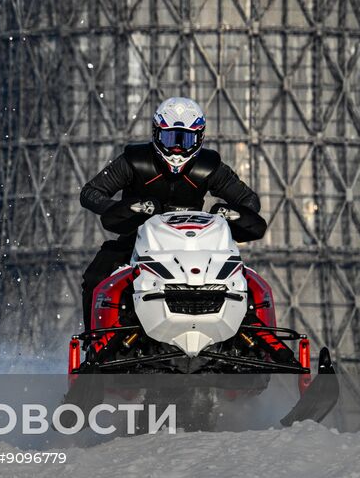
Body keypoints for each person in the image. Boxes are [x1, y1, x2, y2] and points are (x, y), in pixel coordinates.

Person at [78, 96, 266, 324]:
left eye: (185, 140)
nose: (177, 148)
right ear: (156, 134)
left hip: (196, 242)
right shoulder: (134, 160)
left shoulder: (210, 165)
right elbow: (90, 192)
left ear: (199, 138)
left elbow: (249, 200)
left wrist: (229, 214)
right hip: (137, 241)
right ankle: (94, 344)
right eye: (169, 138)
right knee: (96, 276)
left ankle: (260, 340)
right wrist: (125, 210)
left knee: (249, 281)